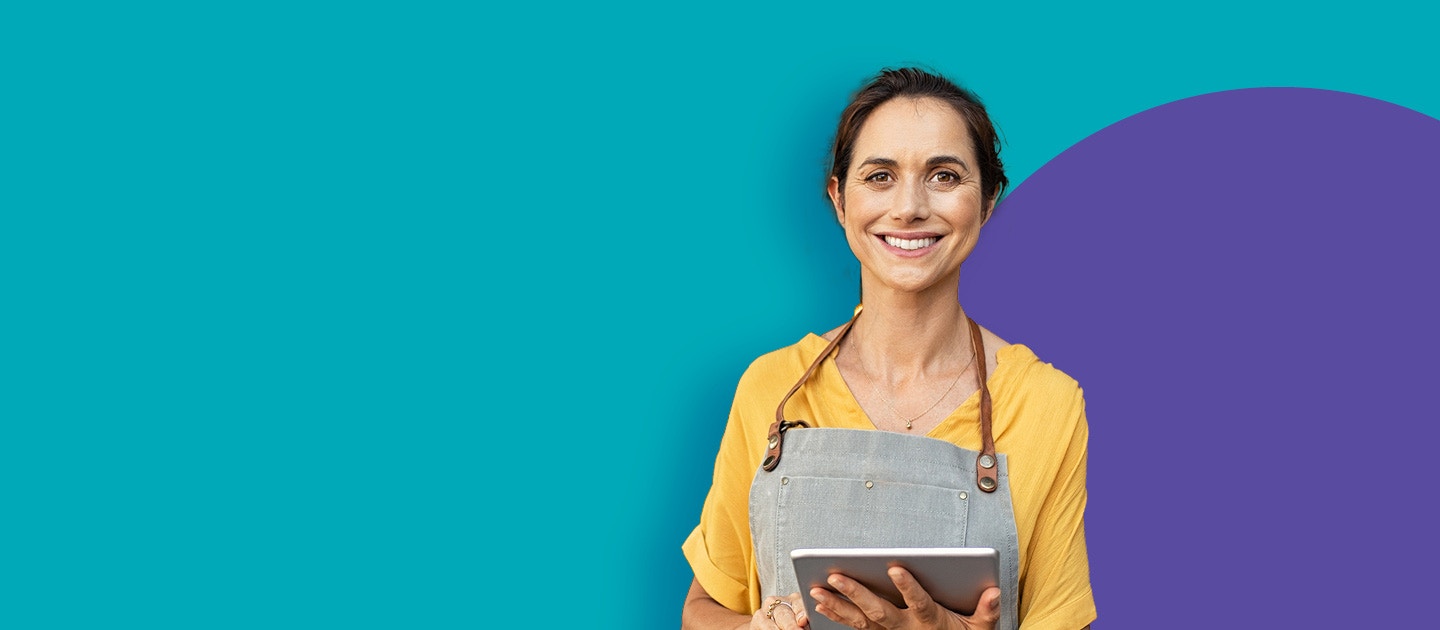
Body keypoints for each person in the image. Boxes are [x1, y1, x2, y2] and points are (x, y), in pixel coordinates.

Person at [680, 67, 1096, 630]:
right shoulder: (771, 388)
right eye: (879, 176)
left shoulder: (1046, 403)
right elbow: (703, 611)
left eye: (944, 176)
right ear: (839, 198)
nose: (908, 208)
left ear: (989, 200)